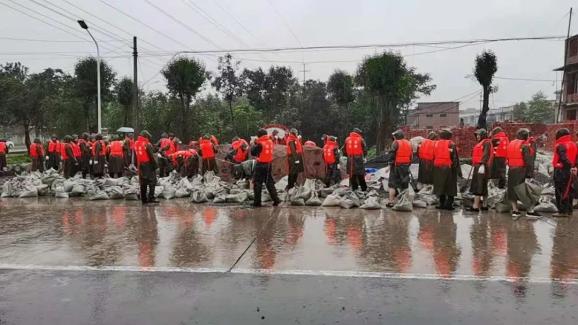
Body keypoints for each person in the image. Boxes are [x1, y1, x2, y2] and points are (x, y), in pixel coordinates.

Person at [506, 128, 534, 219]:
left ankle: (515, 210)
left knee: (512, 190)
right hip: (521, 170)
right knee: (524, 191)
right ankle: (530, 211)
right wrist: (530, 174)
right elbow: (528, 161)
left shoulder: (510, 144)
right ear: (526, 137)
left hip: (511, 170)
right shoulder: (524, 146)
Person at [251, 128, 280, 207]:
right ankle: (276, 200)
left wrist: (254, 144)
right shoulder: (270, 141)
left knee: (257, 183)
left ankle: (257, 203)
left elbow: (253, 152)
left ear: (259, 135)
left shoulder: (260, 144)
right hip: (268, 165)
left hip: (260, 165)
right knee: (269, 182)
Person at [433, 129, 461, 210]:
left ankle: (441, 203)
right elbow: (455, 158)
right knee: (450, 186)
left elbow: (434, 155)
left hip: (437, 168)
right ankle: (449, 204)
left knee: (440, 185)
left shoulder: (436, 143)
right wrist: (457, 170)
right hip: (449, 168)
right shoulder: (451, 144)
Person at [552, 128, 577, 217]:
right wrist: (574, 167)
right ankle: (569, 210)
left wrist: (568, 166)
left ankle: (562, 211)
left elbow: (563, 158)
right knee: (569, 190)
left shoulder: (560, 145)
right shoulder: (573, 144)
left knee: (560, 190)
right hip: (571, 171)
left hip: (561, 171)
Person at [468, 129, 493, 212]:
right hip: (479, 166)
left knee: (478, 185)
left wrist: (482, 164)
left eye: (479, 135)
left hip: (481, 166)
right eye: (477, 135)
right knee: (483, 186)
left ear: (483, 135)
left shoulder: (486, 143)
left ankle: (475, 206)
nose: (478, 136)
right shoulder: (483, 143)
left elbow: (486, 154)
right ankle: (484, 205)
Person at [387, 130, 413, 207]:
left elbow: (391, 155)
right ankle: (404, 202)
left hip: (396, 166)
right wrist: (408, 165)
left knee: (392, 184)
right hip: (405, 166)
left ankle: (391, 202)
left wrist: (389, 165)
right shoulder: (409, 143)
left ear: (396, 137)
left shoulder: (396, 143)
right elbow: (411, 156)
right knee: (405, 184)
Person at [135, 130, 158, 204]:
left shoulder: (136, 143)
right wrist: (155, 166)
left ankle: (144, 199)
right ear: (146, 136)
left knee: (143, 182)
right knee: (152, 181)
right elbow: (151, 156)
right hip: (148, 165)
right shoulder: (147, 144)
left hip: (140, 165)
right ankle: (151, 198)